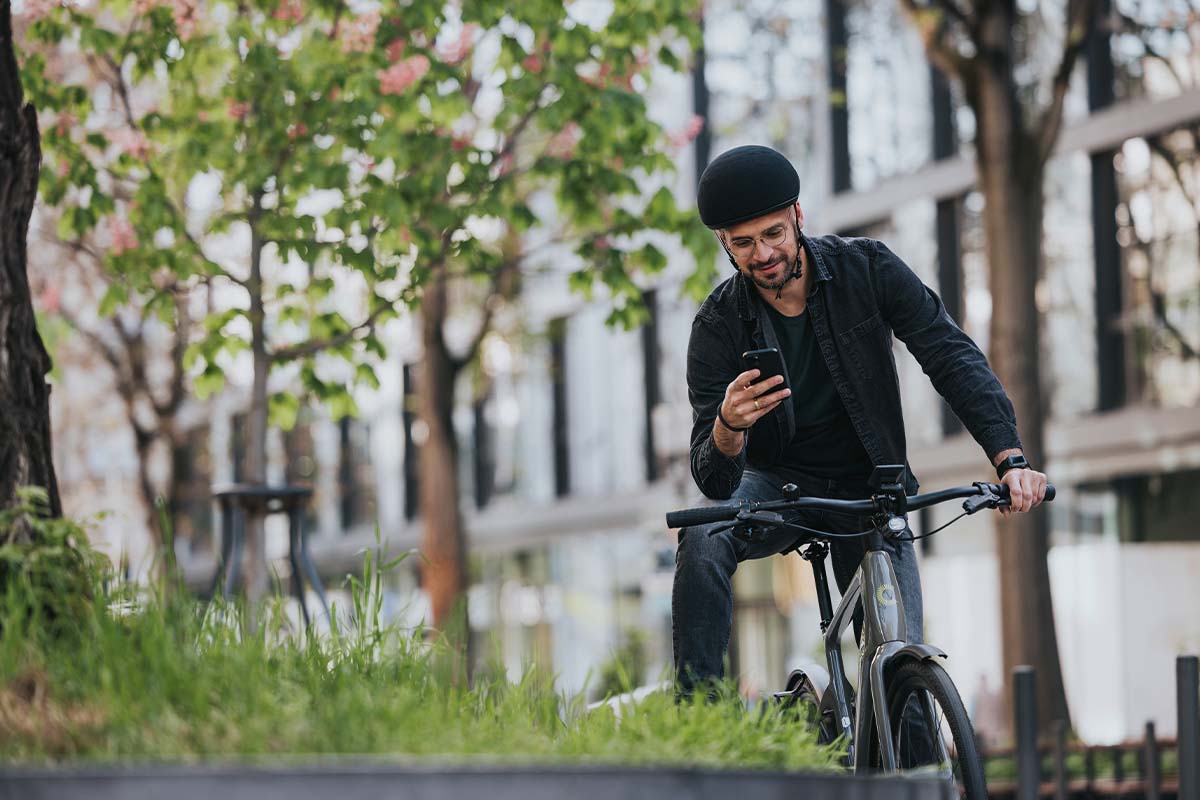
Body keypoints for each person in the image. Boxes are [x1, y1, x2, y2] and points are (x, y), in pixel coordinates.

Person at [673, 144, 1049, 694]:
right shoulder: (716, 325)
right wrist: (729, 426)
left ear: (797, 216)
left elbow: (948, 353)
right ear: (724, 243)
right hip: (778, 490)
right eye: (744, 243)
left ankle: (921, 777)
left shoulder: (866, 269)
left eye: (774, 233)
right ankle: (696, 731)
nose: (763, 254)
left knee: (901, 670)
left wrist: (1009, 456)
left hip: (872, 487)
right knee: (703, 533)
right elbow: (714, 481)